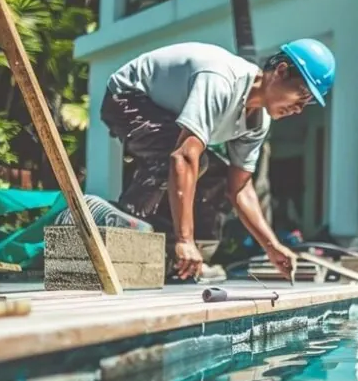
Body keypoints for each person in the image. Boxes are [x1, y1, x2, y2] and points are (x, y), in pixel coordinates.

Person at [57, 39, 336, 281]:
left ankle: (181, 264)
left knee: (216, 176)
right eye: (302, 95)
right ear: (281, 71)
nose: (299, 109)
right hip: (128, 96)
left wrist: (272, 247)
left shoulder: (258, 122)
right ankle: (123, 231)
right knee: (187, 162)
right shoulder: (222, 80)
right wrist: (184, 239)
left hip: (166, 115)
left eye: (307, 104)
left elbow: (239, 189)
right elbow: (183, 156)